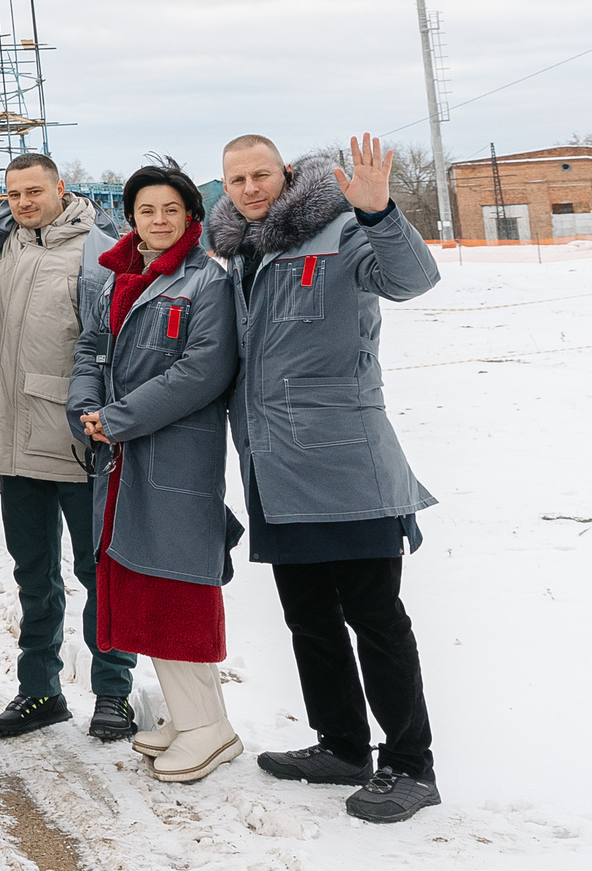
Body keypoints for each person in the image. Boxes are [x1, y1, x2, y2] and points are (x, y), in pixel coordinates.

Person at [211, 134, 444, 825]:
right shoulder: (239, 256)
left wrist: (379, 213)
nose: (250, 187)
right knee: (308, 618)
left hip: (346, 462)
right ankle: (342, 743)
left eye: (261, 174)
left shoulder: (340, 230)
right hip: (274, 467)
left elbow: (412, 279)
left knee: (375, 618)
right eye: (236, 179)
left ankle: (411, 763)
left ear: (285, 174)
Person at [0, 59, 135, 741]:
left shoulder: (100, 254)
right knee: (34, 577)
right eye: (13, 191)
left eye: (32, 190)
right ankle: (40, 690)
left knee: (97, 571)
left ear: (61, 188)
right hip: (16, 446)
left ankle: (113, 691)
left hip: (79, 446)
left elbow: (115, 348)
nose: (21, 200)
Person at [68, 162, 245, 784]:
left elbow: (204, 371)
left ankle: (209, 728)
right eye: (147, 210)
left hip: (174, 456)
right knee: (140, 578)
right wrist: (85, 408)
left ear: (191, 216)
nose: (159, 220)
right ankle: (193, 713)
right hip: (120, 453)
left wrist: (119, 417)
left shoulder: (207, 282)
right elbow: (91, 349)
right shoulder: (115, 276)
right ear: (132, 216)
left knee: (177, 582)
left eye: (171, 209)